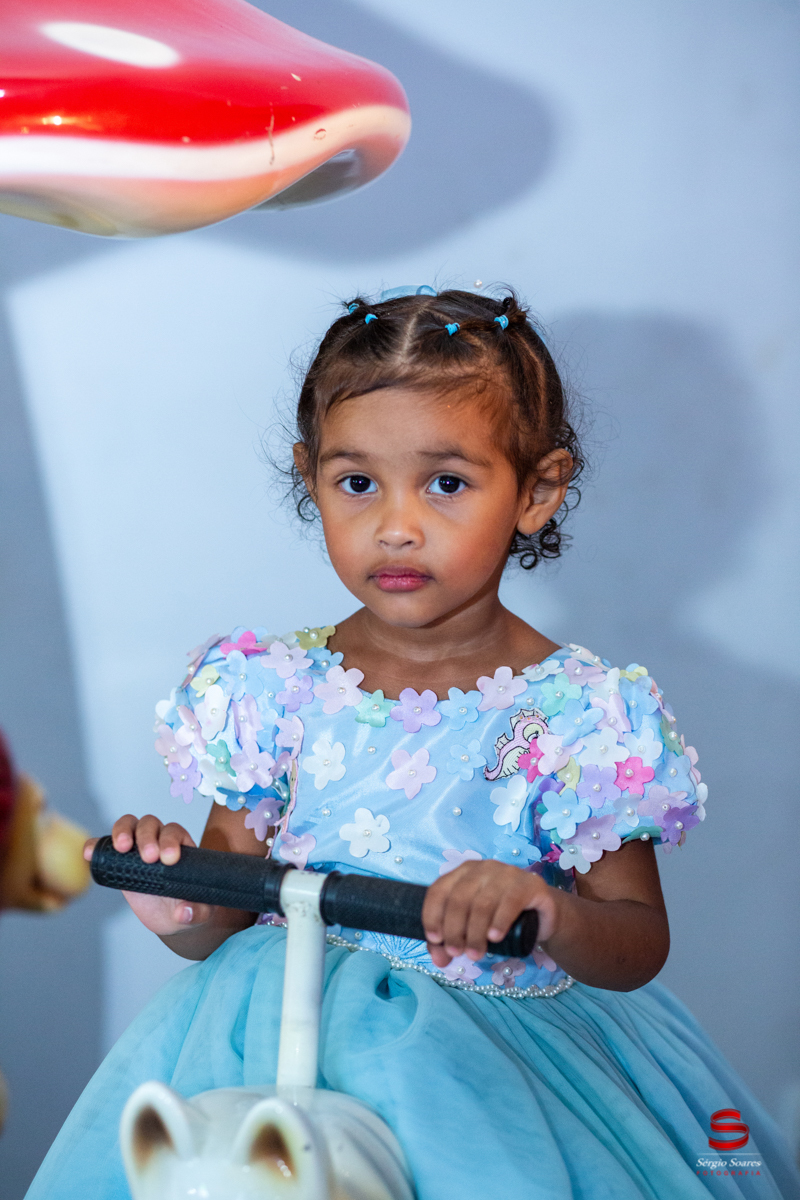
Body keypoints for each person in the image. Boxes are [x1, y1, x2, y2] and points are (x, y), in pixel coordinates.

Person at [26, 289, 799, 1199]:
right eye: (357, 483)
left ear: (537, 491)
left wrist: (547, 913)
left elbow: (637, 943)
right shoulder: (267, 689)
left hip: (489, 1071)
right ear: (310, 476)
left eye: (446, 484)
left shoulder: (583, 715)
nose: (396, 526)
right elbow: (222, 913)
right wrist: (180, 901)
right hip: (273, 1044)